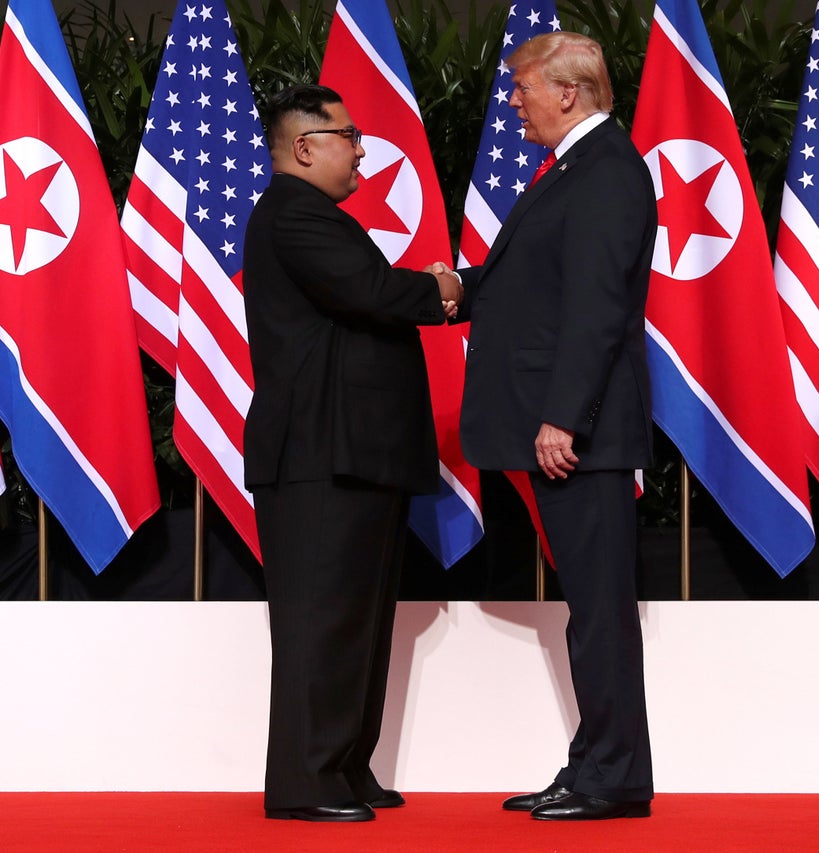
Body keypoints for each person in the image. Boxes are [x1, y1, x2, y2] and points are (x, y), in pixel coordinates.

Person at [451, 32, 657, 820]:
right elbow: (528, 287)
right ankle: (594, 764)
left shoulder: (606, 171)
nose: (515, 102)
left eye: (523, 89)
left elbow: (597, 309)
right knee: (589, 610)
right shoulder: (576, 168)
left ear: (567, 92)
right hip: (570, 428)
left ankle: (615, 778)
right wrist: (449, 290)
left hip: (584, 436)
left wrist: (562, 417)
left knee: (600, 612)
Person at [243, 84, 462, 823]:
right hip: (318, 454)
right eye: (349, 134)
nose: (362, 146)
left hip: (353, 452)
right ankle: (306, 780)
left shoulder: (314, 217)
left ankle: (342, 766)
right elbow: (370, 291)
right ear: (305, 147)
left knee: (358, 618)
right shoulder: (295, 214)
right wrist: (443, 286)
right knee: (322, 619)